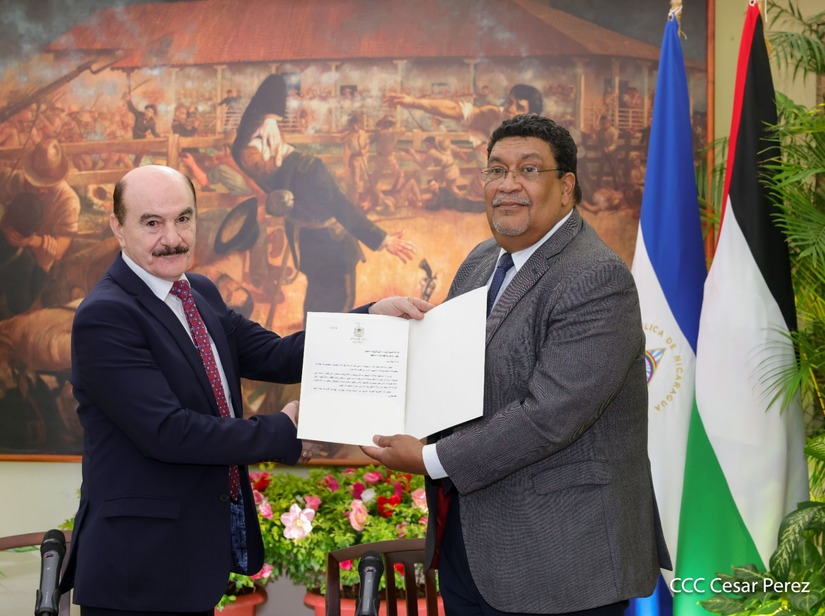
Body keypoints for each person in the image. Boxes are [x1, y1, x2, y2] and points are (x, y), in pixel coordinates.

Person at [59, 164, 432, 614]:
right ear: (118, 227)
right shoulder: (105, 315)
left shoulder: (197, 292)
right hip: (138, 570)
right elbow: (168, 432)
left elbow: (276, 354)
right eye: (152, 223)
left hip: (187, 562)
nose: (173, 238)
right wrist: (284, 430)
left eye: (183, 218)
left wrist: (371, 320)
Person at [362, 114, 670, 615]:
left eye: (528, 169)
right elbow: (457, 375)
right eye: (496, 170)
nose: (507, 184)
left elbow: (548, 417)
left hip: (561, 561)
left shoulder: (596, 277)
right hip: (470, 547)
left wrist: (429, 459)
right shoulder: (482, 260)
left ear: (566, 187)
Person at [232, 74, 416, 319]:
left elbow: (247, 131)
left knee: (315, 306)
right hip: (334, 250)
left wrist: (267, 117)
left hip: (304, 246)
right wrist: (384, 240)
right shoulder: (310, 168)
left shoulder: (244, 157)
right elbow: (343, 209)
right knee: (338, 312)